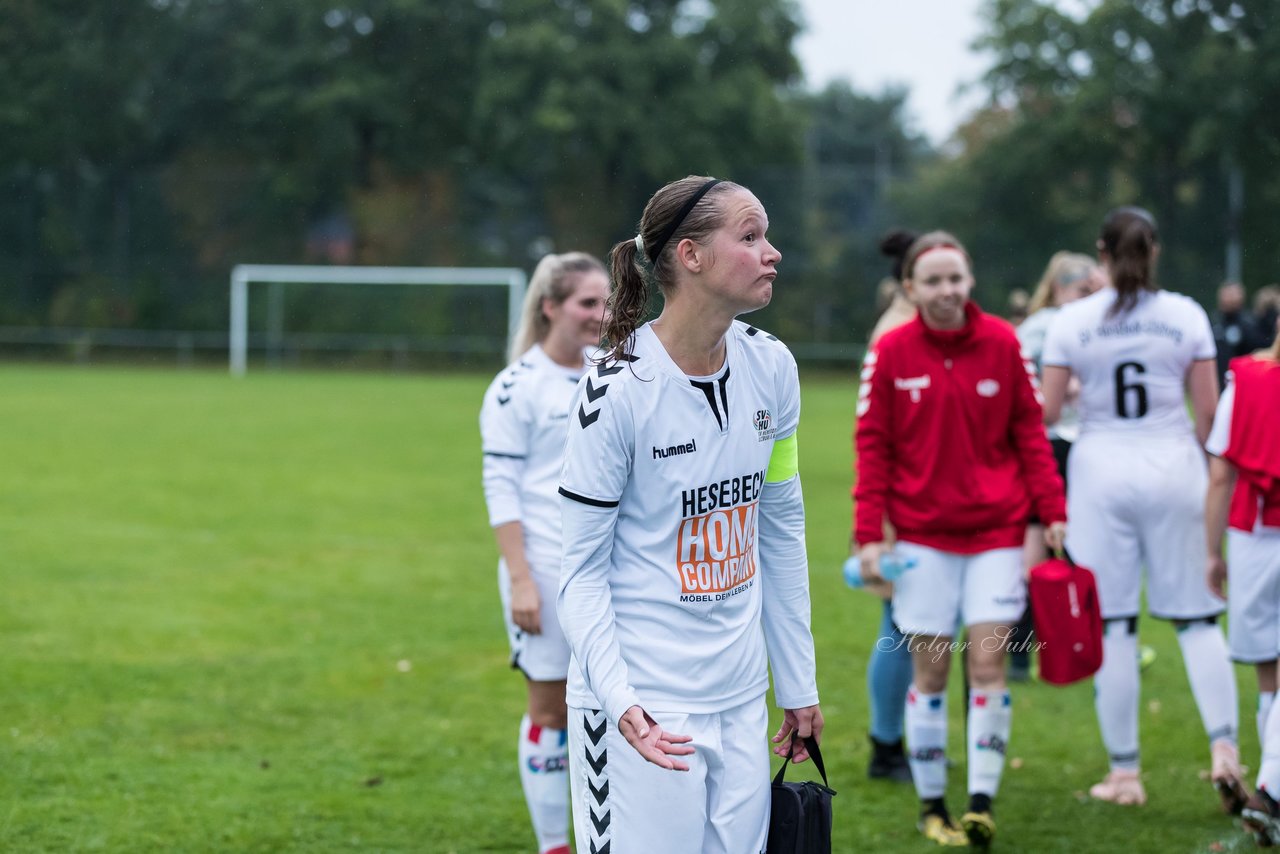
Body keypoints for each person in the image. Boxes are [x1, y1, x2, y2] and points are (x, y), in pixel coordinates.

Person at [556, 176, 822, 854]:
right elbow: (579, 573)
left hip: (741, 699)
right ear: (691, 256)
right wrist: (621, 704)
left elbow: (780, 530)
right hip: (643, 709)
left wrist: (797, 683)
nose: (773, 253)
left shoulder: (773, 365)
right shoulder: (614, 390)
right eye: (751, 236)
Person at [854, 231, 1067, 848]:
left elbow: (1030, 430)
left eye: (957, 279)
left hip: (998, 536)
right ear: (911, 289)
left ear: (970, 281)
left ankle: (979, 802)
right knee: (931, 670)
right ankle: (930, 805)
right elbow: (872, 447)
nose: (947, 291)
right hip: (921, 541)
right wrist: (870, 534)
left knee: (989, 664)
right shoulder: (891, 351)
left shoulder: (1004, 341)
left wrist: (1051, 510)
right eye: (934, 281)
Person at [1040, 206, 1244, 812]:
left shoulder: (1072, 320)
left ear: (1101, 252)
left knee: (1116, 626)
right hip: (1175, 467)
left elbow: (1049, 415)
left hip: (1101, 474)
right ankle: (1226, 752)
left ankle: (1125, 775)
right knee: (1199, 619)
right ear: (1153, 250)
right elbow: (1208, 418)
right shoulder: (1185, 314)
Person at [478, 252, 608, 854]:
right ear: (551, 306)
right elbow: (501, 489)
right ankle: (555, 844)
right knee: (553, 711)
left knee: (615, 709)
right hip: (547, 575)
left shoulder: (616, 373)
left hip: (613, 574)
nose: (600, 315)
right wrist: (522, 581)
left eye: (606, 302)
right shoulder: (515, 387)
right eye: (587, 302)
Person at [1008, 252, 1102, 679]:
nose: (1089, 298)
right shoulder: (1041, 327)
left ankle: (1080, 641)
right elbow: (1026, 390)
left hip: (1081, 446)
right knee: (1036, 549)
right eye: (1083, 290)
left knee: (1077, 549)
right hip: (1047, 445)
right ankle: (1021, 651)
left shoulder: (1083, 323)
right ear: (1060, 285)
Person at [1203, 329, 1280, 844]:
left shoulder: (1246, 381)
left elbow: (1219, 474)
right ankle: (1271, 792)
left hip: (1252, 536)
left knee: (1268, 671)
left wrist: (1211, 552)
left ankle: (1269, 791)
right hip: (1257, 529)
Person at [861, 228, 919, 783]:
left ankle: (910, 740)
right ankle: (885, 745)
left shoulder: (917, 323)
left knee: (918, 623)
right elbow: (880, 433)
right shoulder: (897, 331)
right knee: (898, 622)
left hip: (930, 501)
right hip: (903, 503)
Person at [1213, 281, 1267, 387]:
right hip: (1218, 382)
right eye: (1226, 294)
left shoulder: (1250, 325)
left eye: (1233, 294)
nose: (1229, 298)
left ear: (1241, 297)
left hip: (1242, 385)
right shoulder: (1214, 323)